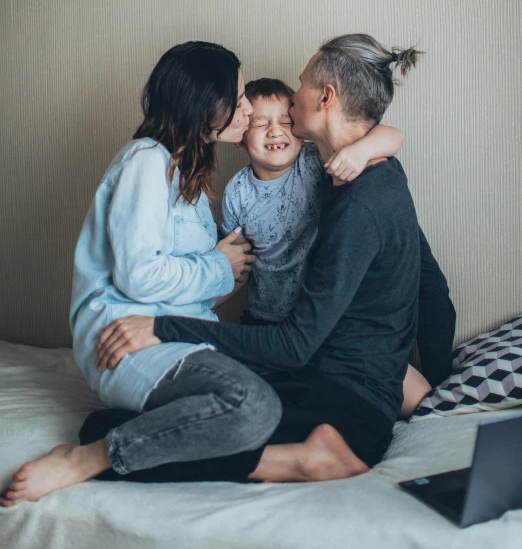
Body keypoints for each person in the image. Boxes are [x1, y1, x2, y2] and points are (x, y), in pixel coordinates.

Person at [0, 38, 393, 507]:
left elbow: (193, 289)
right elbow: (139, 277)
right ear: (208, 102)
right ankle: (91, 457)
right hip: (126, 337)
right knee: (252, 406)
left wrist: (223, 275)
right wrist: (219, 266)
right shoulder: (146, 161)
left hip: (179, 336)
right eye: (240, 97)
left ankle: (130, 438)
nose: (247, 109)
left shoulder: (189, 177)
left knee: (302, 392)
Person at [89, 34, 456, 484]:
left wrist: (164, 327)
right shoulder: (368, 174)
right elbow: (430, 280)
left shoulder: (353, 195)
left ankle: (96, 454)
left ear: (325, 97)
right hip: (322, 373)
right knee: (218, 404)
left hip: (339, 397)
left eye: (300, 84)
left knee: (156, 424)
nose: (288, 98)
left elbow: (297, 344)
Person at [223, 77, 453, 414]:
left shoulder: (318, 162)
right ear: (242, 139)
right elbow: (237, 265)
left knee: (422, 401)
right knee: (251, 403)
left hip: (331, 325)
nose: (275, 131)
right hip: (269, 323)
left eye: (286, 122)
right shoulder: (237, 193)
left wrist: (361, 151)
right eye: (261, 124)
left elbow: (393, 137)